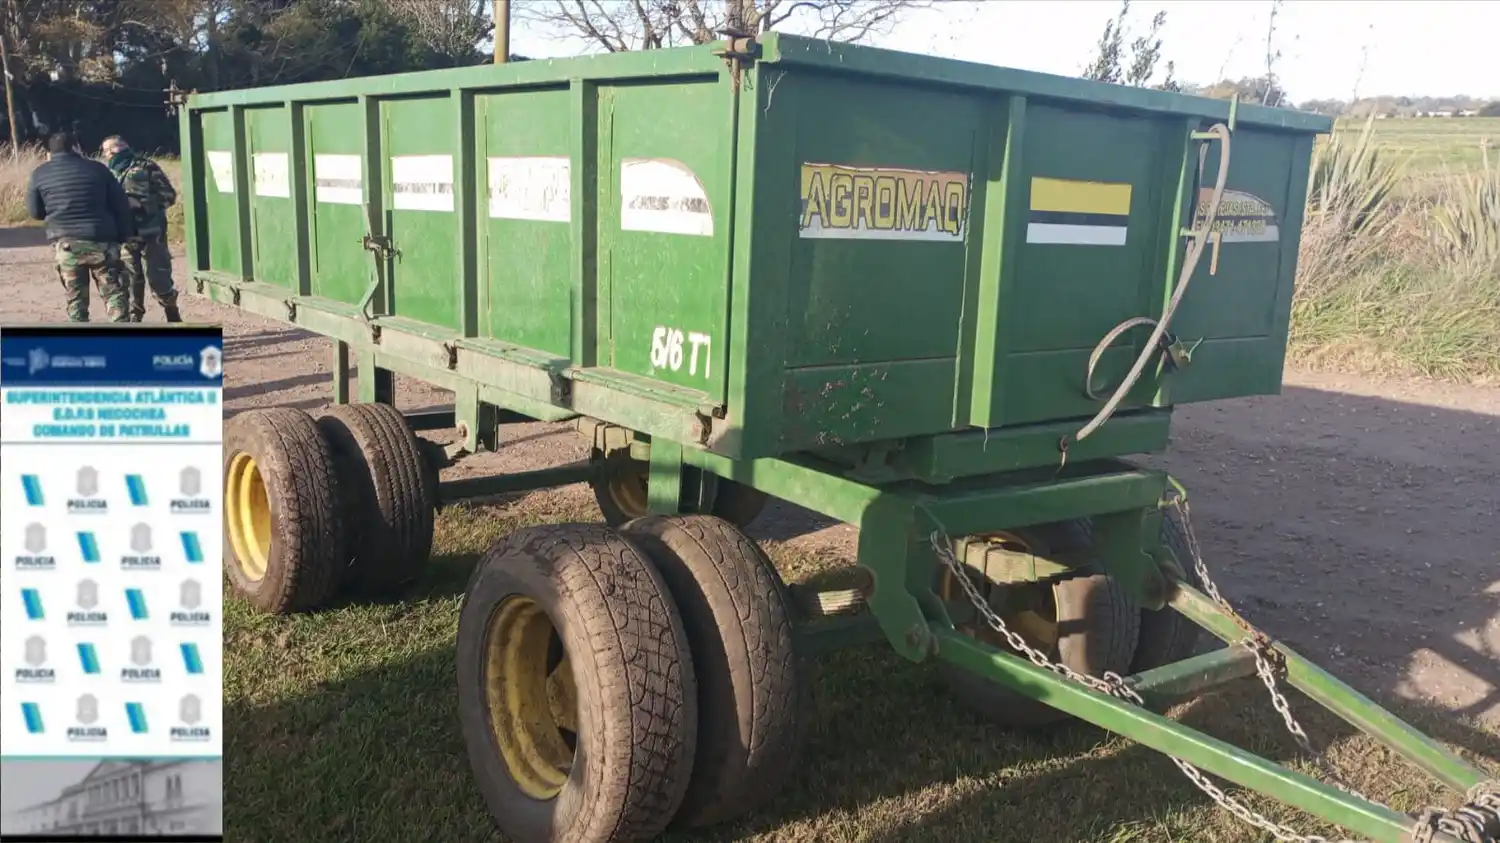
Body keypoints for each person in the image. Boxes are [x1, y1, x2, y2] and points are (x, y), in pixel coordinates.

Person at [25, 131, 134, 322]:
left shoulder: (39, 174)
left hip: (66, 244)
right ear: (76, 148)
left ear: (50, 152)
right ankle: (121, 333)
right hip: (102, 240)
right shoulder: (98, 170)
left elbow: (35, 212)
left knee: (75, 299)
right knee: (114, 294)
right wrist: (125, 235)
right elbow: (120, 205)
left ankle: (78, 335)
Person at [101, 135, 182, 323]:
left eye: (108, 150)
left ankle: (171, 312)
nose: (107, 154)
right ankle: (135, 320)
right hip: (126, 235)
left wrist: (143, 206)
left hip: (151, 233)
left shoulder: (146, 166)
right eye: (105, 151)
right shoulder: (107, 173)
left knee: (159, 277)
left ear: (117, 148)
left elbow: (168, 195)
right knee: (130, 279)